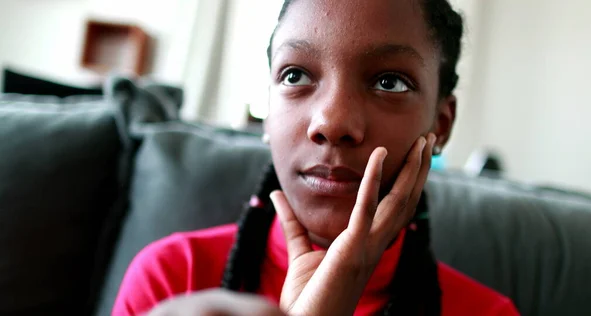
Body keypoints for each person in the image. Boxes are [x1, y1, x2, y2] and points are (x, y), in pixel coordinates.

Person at [112, 0, 521, 315]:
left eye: (389, 82)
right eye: (295, 75)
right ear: (268, 112)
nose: (333, 121)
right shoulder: (171, 279)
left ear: (441, 126)